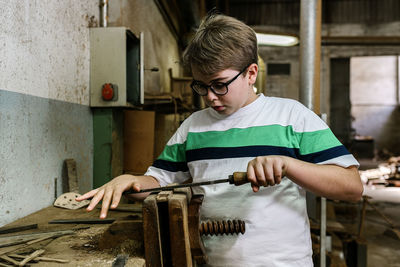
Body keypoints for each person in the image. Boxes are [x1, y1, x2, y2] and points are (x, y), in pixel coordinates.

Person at [77, 13, 363, 266]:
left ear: (251, 73)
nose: (210, 96)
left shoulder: (291, 116)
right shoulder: (193, 127)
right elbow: (159, 184)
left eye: (219, 84)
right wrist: (129, 180)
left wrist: (289, 165)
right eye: (202, 85)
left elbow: (351, 187)